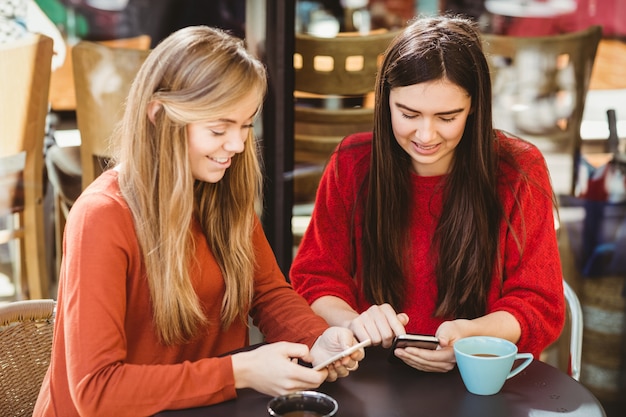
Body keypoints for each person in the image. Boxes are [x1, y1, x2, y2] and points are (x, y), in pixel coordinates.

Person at [34, 26, 364, 417]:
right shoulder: (102, 217)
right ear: (159, 116)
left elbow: (267, 293)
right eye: (218, 129)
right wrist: (237, 372)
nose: (238, 145)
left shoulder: (220, 190)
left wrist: (318, 338)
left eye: (245, 126)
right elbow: (97, 393)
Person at [290, 15, 565, 373]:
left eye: (448, 117)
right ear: (385, 101)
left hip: (485, 378)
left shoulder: (519, 170)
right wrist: (350, 321)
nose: (425, 135)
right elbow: (314, 278)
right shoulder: (351, 164)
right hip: (371, 373)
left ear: (475, 108)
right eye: (408, 113)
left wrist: (475, 339)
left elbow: (540, 304)